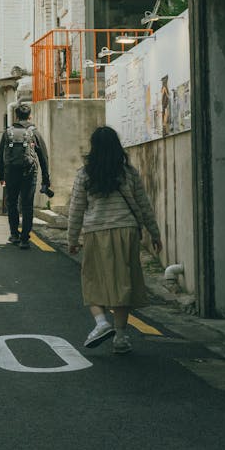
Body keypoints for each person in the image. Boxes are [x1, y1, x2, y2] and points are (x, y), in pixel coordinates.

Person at [66, 126, 163, 355]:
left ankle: (101, 323)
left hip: (96, 232)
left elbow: (76, 209)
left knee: (92, 279)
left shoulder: (85, 174)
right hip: (126, 231)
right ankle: (120, 336)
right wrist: (155, 233)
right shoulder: (128, 172)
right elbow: (144, 205)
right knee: (123, 283)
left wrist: (71, 238)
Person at [0, 103, 50, 249]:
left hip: (11, 172)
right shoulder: (34, 132)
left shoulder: (8, 132)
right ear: (30, 116)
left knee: (12, 203)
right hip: (29, 172)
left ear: (16, 116)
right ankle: (25, 239)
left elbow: (0, 155)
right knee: (27, 205)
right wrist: (46, 178)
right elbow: (43, 156)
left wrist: (2, 175)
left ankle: (14, 234)